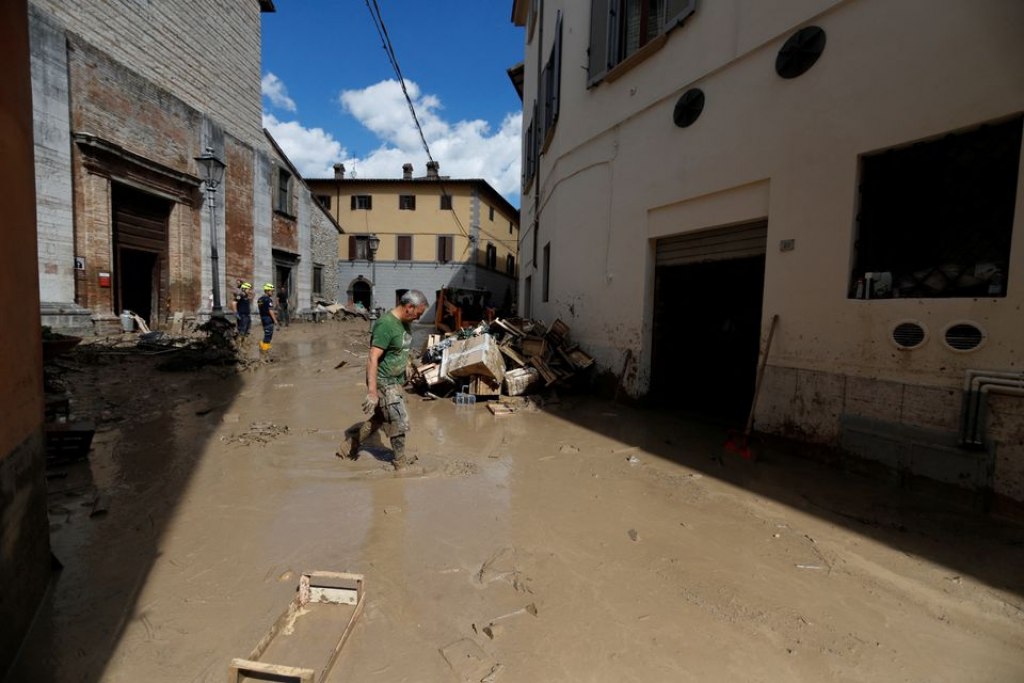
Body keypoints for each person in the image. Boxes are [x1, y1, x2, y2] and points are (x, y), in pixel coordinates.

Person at [342, 289, 428, 469]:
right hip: (383, 380)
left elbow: (401, 349)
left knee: (380, 418)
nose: (418, 318)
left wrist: (410, 365)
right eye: (418, 314)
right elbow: (372, 357)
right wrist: (372, 392)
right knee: (398, 420)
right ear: (409, 307)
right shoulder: (386, 324)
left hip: (396, 381)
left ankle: (349, 445)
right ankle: (400, 463)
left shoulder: (405, 323)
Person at [257, 283, 278, 355]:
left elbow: (262, 309)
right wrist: (275, 320)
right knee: (268, 336)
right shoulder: (268, 300)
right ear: (267, 290)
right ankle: (265, 353)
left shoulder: (260, 299)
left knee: (266, 334)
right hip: (268, 319)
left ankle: (263, 346)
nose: (272, 292)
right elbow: (270, 310)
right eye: (271, 291)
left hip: (263, 318)